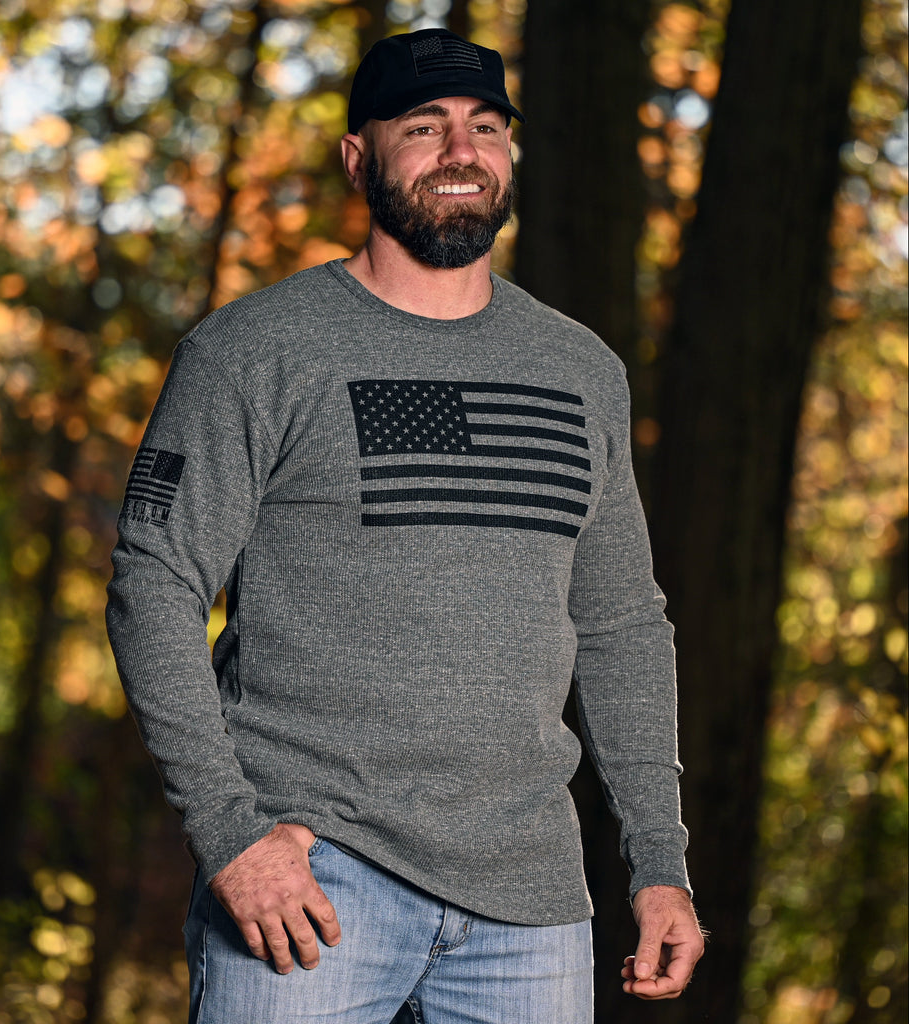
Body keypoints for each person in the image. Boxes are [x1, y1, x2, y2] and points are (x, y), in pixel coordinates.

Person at [106, 27, 704, 1024]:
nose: (459, 151)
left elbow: (620, 627)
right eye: (421, 128)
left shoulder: (579, 371)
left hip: (531, 902)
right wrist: (229, 832)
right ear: (358, 158)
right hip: (312, 885)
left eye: (483, 126)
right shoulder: (254, 351)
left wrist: (658, 859)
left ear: (510, 153)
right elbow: (153, 581)